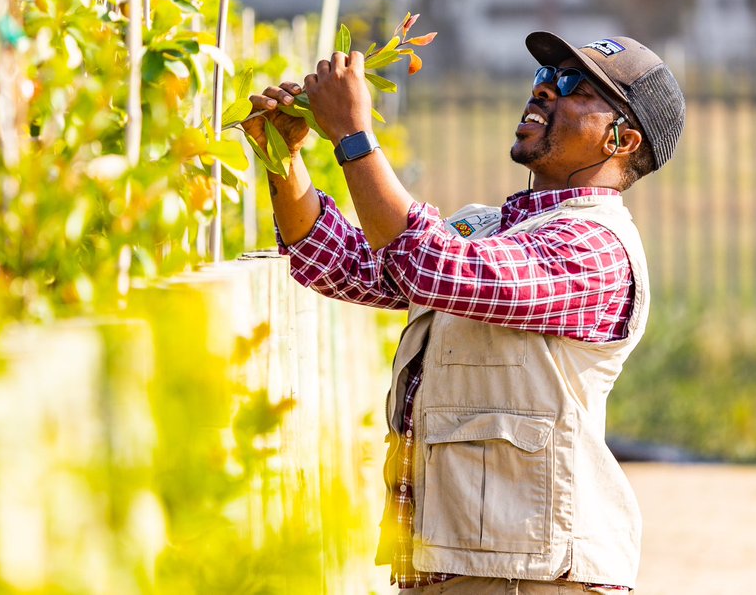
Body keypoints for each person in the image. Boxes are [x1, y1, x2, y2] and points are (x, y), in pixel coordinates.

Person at [243, 31, 685, 594]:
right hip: (459, 566)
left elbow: (437, 267)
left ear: (621, 139)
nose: (545, 89)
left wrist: (354, 137)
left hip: (535, 577)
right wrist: (283, 157)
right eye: (543, 78)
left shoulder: (596, 246)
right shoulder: (489, 227)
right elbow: (342, 264)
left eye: (574, 85)